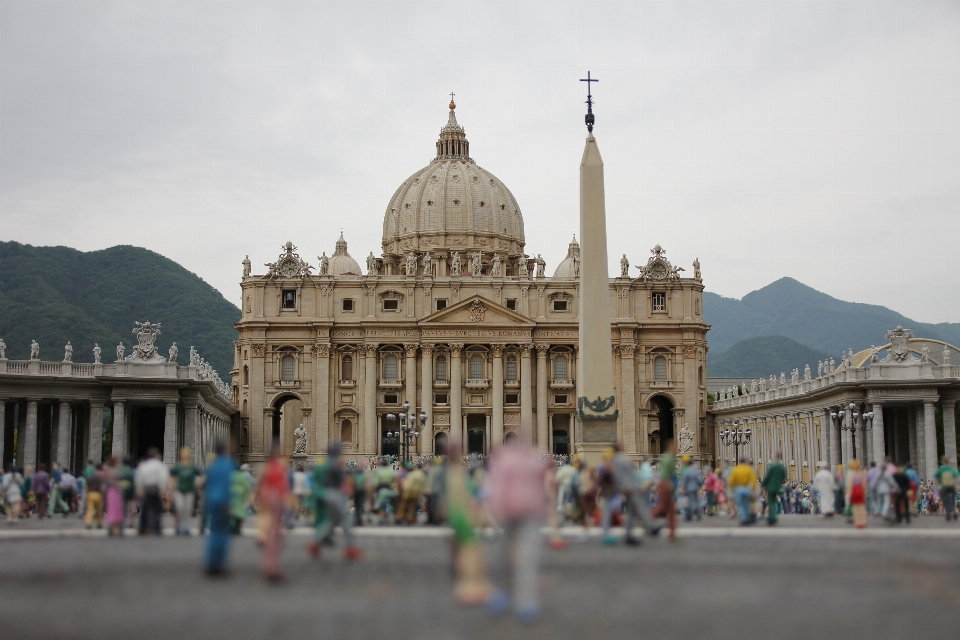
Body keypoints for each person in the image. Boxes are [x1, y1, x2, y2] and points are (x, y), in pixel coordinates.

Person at [484, 437, 548, 623]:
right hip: (516, 512)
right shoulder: (523, 462)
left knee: (516, 555)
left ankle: (518, 598)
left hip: (522, 513)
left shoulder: (522, 463)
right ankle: (518, 599)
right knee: (517, 556)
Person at [307, 444, 362, 560]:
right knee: (346, 520)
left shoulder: (326, 463)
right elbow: (340, 480)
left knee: (332, 522)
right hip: (334, 495)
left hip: (328, 494)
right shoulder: (334, 464)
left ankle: (315, 543)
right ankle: (350, 548)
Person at [257, 446, 290, 581]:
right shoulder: (278, 469)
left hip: (268, 501)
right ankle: (272, 568)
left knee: (271, 532)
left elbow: (261, 486)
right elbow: (282, 486)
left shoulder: (267, 468)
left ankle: (270, 566)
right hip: (275, 502)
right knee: (275, 536)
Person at [204, 441, 235, 576]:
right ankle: (219, 564)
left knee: (214, 532)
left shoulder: (213, 465)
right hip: (223, 501)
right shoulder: (228, 464)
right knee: (222, 534)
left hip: (212, 501)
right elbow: (227, 484)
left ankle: (211, 563)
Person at [135, 448, 169, 535]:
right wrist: (163, 488)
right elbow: (163, 477)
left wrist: (139, 489)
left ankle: (143, 527)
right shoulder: (160, 465)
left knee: (145, 508)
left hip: (147, 489)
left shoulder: (144, 465)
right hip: (156, 489)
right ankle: (157, 527)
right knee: (157, 508)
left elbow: (139, 478)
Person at [171, 447, 201, 535]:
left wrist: (197, 484)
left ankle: (187, 526)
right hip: (179, 490)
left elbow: (202, 474)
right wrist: (174, 484)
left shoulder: (192, 466)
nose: (186, 456)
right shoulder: (178, 466)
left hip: (189, 490)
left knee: (188, 509)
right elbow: (169, 475)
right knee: (180, 507)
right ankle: (179, 526)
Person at [728, 457, 758, 525]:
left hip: (739, 488)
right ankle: (747, 518)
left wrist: (732, 488)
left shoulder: (736, 469)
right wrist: (752, 488)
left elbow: (731, 480)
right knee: (747, 504)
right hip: (746, 488)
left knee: (740, 504)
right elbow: (753, 480)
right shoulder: (749, 469)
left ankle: (743, 518)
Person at [761, 452, 786, 526]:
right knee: (775, 501)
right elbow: (783, 476)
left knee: (771, 502)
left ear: (775, 456)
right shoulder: (782, 467)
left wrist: (763, 484)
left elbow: (767, 477)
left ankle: (772, 517)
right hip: (778, 487)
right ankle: (774, 515)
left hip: (771, 487)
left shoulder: (772, 466)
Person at [104, 457, 125, 536]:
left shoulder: (108, 470)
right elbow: (112, 481)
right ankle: (117, 527)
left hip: (111, 491)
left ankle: (112, 527)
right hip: (114, 491)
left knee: (113, 509)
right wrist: (119, 484)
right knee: (116, 509)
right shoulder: (113, 471)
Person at [934, 455, 959, 522]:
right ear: (948, 461)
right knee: (952, 499)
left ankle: (947, 513)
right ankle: (953, 510)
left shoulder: (941, 469)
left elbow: (935, 478)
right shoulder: (951, 469)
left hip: (944, 487)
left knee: (945, 500)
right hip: (952, 486)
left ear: (943, 461)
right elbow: (957, 477)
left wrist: (938, 486)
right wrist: (957, 485)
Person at [680, 456, 703, 522]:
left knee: (690, 502)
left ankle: (689, 515)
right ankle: (699, 514)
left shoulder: (687, 471)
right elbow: (700, 480)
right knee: (697, 501)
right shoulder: (696, 471)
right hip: (696, 487)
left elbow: (685, 480)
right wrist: (699, 486)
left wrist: (684, 488)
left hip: (689, 488)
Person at [846, 459, 867, 528]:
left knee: (855, 507)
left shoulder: (852, 475)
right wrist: (864, 492)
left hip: (854, 490)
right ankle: (863, 521)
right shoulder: (860, 474)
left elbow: (850, 484)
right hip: (860, 490)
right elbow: (864, 484)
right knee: (861, 506)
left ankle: (858, 522)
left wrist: (850, 493)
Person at [85, 464, 106, 529]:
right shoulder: (102, 477)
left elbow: (87, 487)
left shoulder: (92, 476)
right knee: (99, 511)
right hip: (99, 495)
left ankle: (88, 523)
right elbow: (103, 487)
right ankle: (99, 523)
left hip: (91, 494)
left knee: (90, 510)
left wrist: (87, 494)